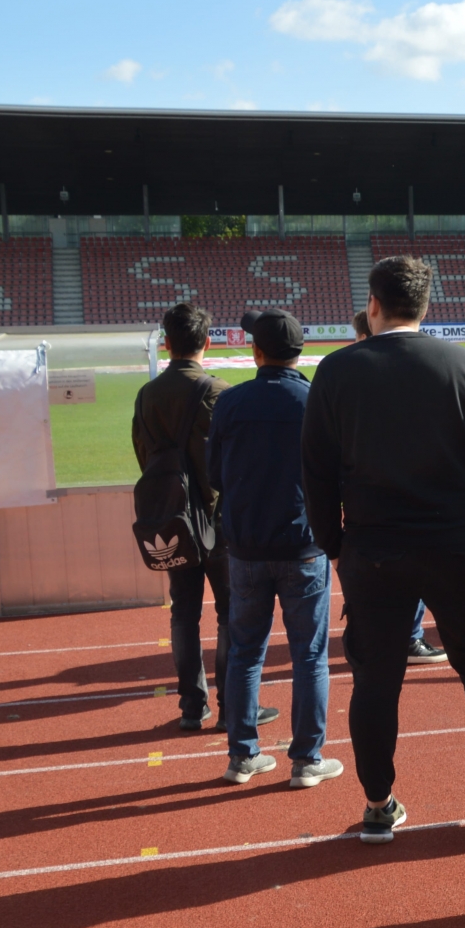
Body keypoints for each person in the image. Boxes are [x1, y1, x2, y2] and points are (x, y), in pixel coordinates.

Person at [301, 256, 465, 840]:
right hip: (458, 544)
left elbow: (317, 473)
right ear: (425, 308)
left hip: (374, 549)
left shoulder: (336, 370)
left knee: (376, 680)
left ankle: (379, 803)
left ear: (373, 305)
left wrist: (335, 545)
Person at [207, 309, 342, 788]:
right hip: (303, 546)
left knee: (245, 651)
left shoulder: (230, 402)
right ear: (300, 352)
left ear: (256, 352)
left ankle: (242, 756)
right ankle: (306, 760)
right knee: (309, 655)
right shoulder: (315, 401)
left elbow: (214, 476)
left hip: (244, 547)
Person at [132, 302, 275, 734]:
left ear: (167, 343)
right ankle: (233, 707)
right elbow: (240, 461)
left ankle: (193, 707)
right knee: (231, 613)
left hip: (175, 518)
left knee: (183, 613)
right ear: (207, 342)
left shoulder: (148, 395)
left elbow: (144, 457)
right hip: (219, 519)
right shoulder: (221, 392)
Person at [354, 307, 447, 667]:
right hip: (416, 502)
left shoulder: (350, 373)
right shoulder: (426, 369)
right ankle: (407, 638)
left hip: (372, 505)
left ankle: (394, 637)